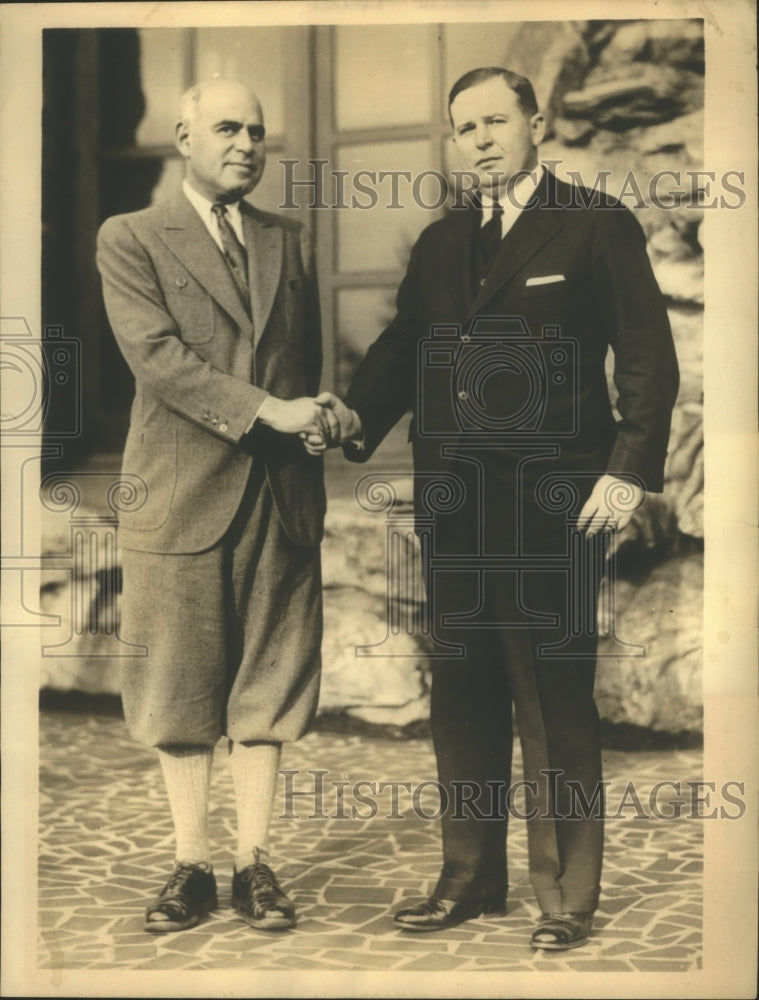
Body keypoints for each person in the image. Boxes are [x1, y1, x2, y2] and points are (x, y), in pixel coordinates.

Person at [308, 66, 679, 950]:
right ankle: (468, 878)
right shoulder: (440, 244)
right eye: (461, 127)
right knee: (463, 695)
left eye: (492, 122)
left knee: (552, 700)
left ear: (535, 123)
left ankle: (564, 898)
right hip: (455, 505)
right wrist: (356, 419)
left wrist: (625, 470)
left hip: (555, 507)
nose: (477, 139)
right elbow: (405, 346)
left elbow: (644, 355)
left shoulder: (594, 224)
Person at [96, 78, 334, 934]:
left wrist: (321, 409)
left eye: (257, 132)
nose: (245, 143)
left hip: (280, 497)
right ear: (183, 137)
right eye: (227, 127)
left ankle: (254, 866)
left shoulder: (288, 238)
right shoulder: (129, 237)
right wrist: (268, 411)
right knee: (180, 689)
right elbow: (156, 358)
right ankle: (190, 864)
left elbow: (297, 364)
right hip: (177, 496)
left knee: (268, 688)